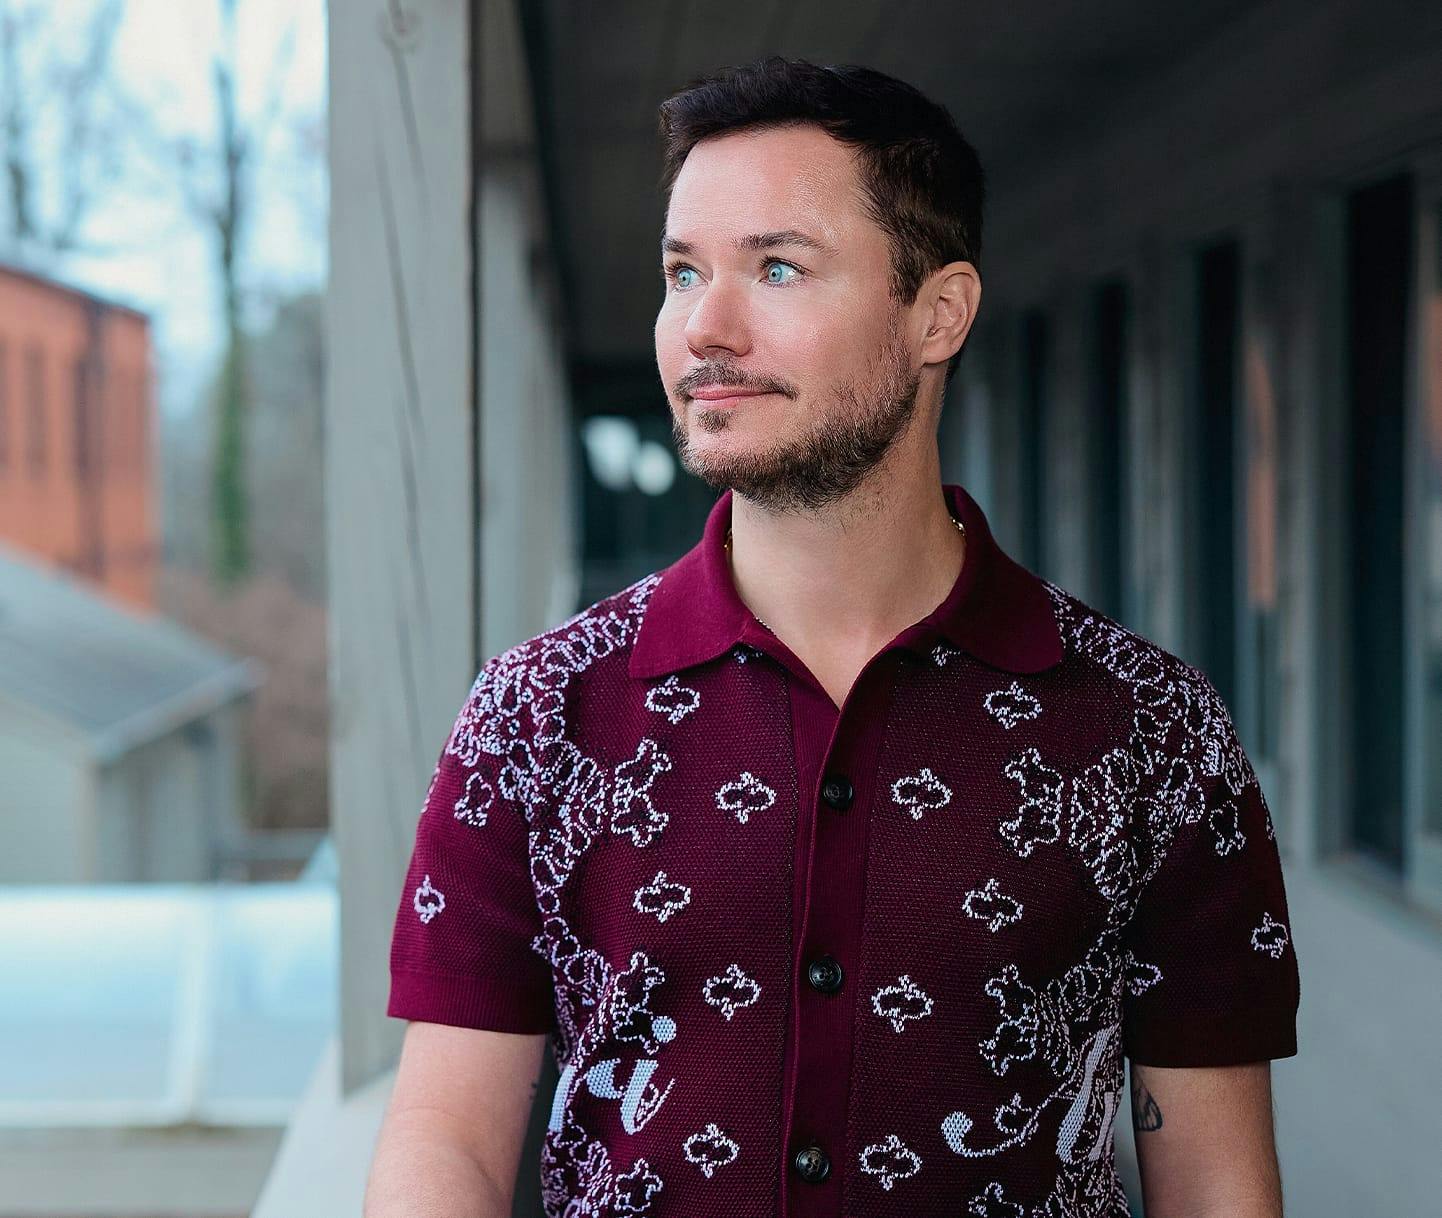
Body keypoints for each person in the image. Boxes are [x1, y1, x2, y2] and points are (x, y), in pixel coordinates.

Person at [365, 55, 1299, 1218]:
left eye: (776, 267)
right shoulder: (534, 714)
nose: (704, 327)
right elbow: (445, 1141)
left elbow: (1214, 1178)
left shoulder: (1149, 728)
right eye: (682, 272)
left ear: (936, 314)